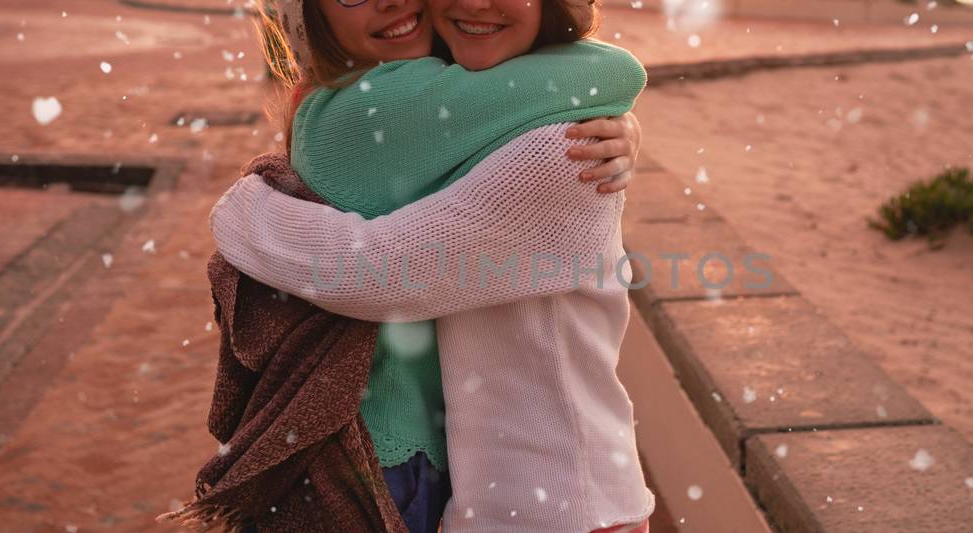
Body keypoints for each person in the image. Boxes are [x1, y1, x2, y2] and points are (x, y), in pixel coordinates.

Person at [211, 1, 655, 531]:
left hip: (559, 500)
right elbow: (607, 72)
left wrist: (246, 214)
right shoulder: (403, 111)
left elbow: (373, 274)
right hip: (485, 479)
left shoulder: (557, 147)